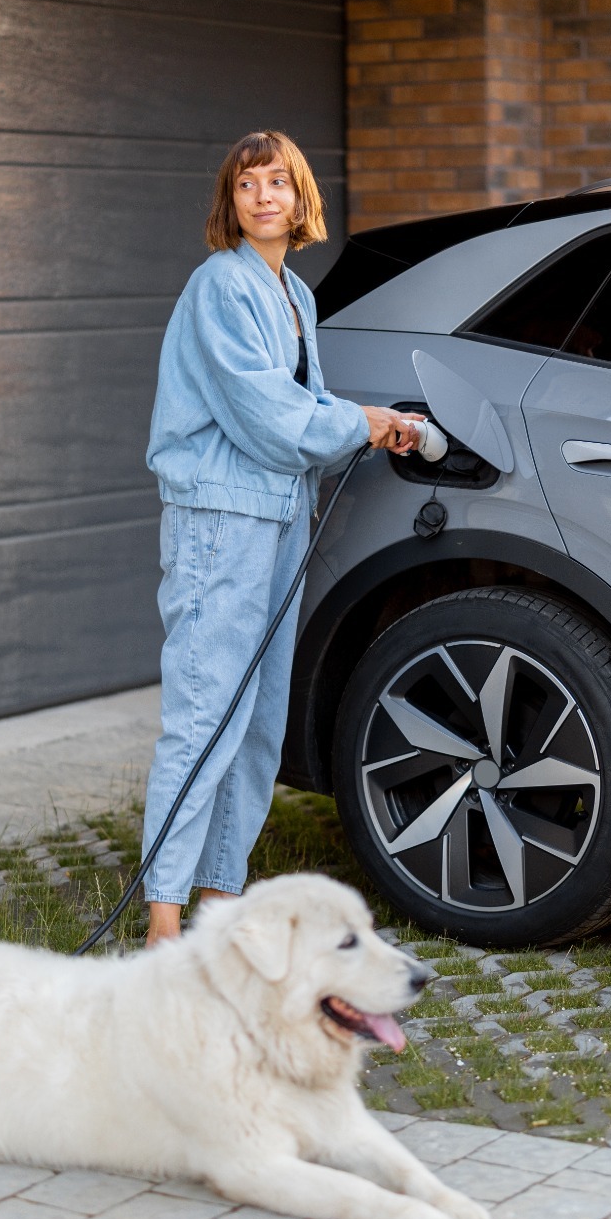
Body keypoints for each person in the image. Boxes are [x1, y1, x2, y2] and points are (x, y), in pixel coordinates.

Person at [141, 130, 417, 946]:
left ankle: (221, 903)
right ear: (230, 204)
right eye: (247, 185)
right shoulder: (220, 286)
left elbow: (307, 415)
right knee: (205, 712)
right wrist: (357, 423)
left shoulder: (295, 293)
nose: (263, 197)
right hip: (221, 521)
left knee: (259, 717)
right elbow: (268, 417)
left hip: (279, 518)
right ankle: (162, 917)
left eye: (278, 183)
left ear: (301, 200)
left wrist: (370, 428)